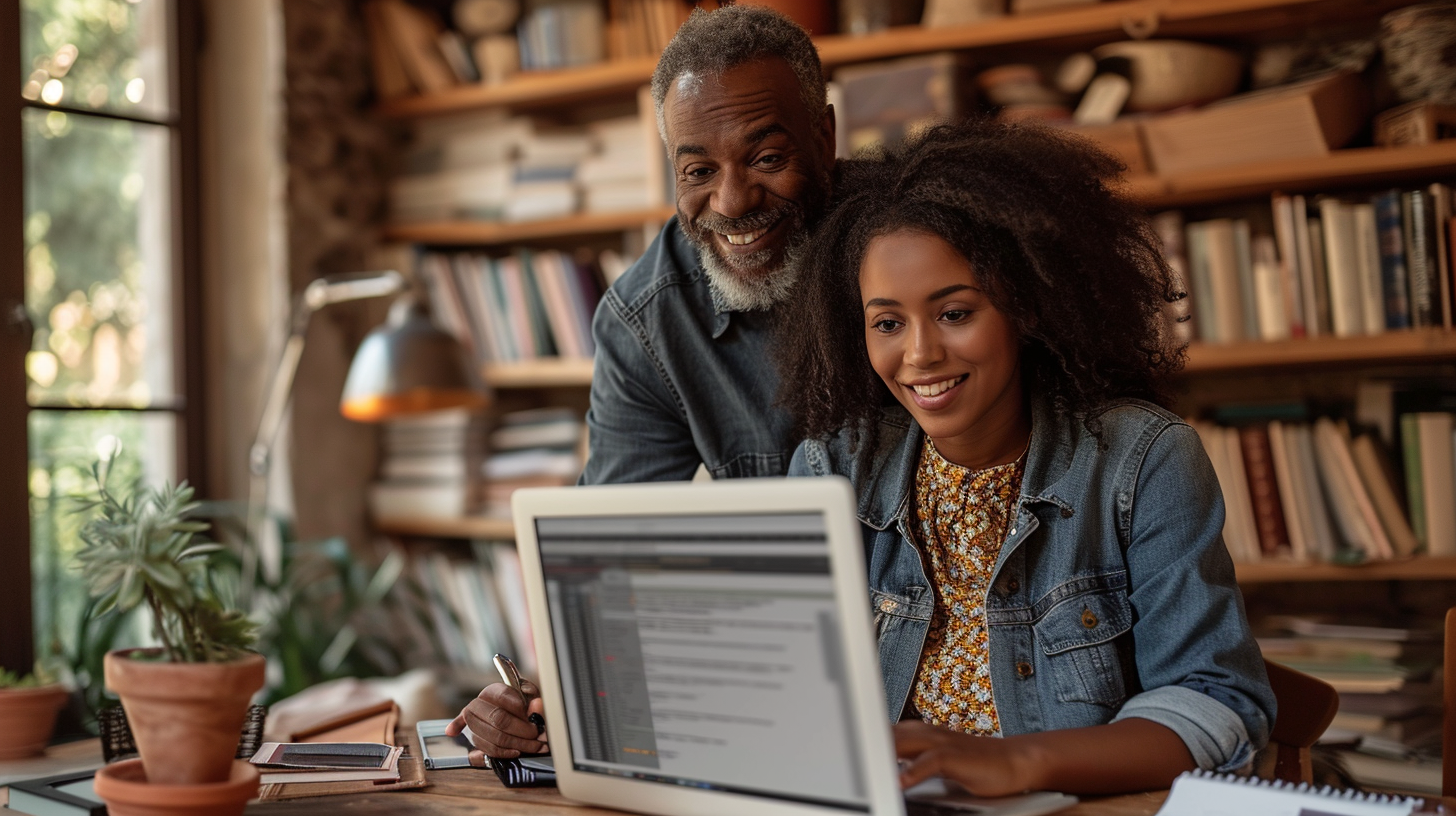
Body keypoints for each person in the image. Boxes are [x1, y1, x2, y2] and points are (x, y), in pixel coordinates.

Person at [776, 119, 1276, 796]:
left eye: (955, 312)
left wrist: (1021, 762)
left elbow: (1216, 704)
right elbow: (787, 703)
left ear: (1028, 307)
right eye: (888, 322)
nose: (919, 355)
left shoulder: (1141, 461)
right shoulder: (831, 469)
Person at [447, 5, 838, 761]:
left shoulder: (912, 262)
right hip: (785, 686)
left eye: (764, 158)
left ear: (824, 137)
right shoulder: (648, 320)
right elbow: (612, 561)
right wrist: (547, 699)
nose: (731, 202)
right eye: (698, 172)